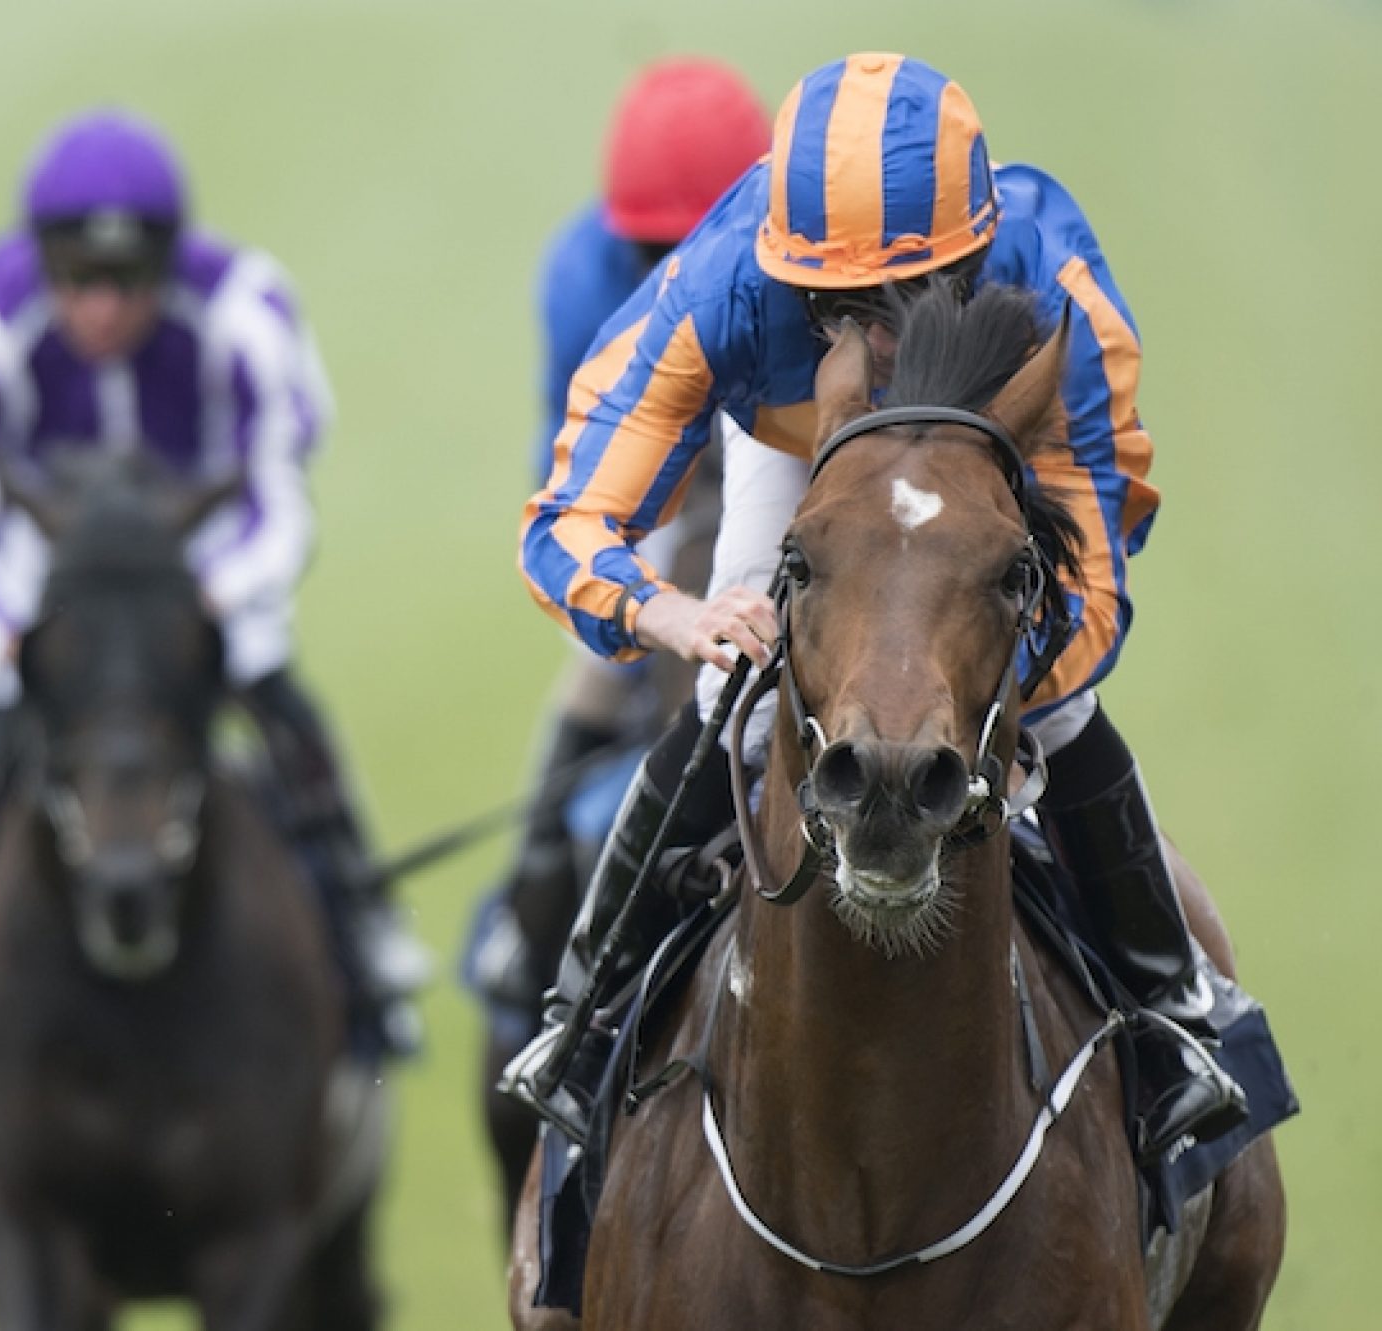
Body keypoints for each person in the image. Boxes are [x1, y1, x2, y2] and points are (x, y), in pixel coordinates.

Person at [503, 53, 1248, 1160]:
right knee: (732, 700)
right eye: (835, 306)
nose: (877, 339)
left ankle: (1175, 1018)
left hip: (994, 438)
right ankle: (580, 1019)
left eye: (913, 296)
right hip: (802, 444)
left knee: (1058, 715)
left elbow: (1092, 588)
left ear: (978, 259)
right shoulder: (723, 285)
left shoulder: (1055, 294)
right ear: (783, 269)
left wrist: (975, 680)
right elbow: (563, 519)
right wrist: (665, 613)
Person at [0, 109, 427, 1090]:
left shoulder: (249, 311)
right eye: (79, 281)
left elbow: (278, 499)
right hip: (49, 585)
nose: (102, 308)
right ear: (42, 263)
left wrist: (215, 603)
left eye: (129, 283)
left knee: (280, 710)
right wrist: (11, 634)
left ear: (168, 266)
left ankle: (367, 926)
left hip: (202, 576)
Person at [471, 59, 769, 1028]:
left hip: (776, 466)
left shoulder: (813, 265)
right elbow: (579, 468)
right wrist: (652, 596)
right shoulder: (578, 277)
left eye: (698, 245)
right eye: (653, 255)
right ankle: (529, 911)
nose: (677, 278)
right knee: (592, 678)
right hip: (653, 489)